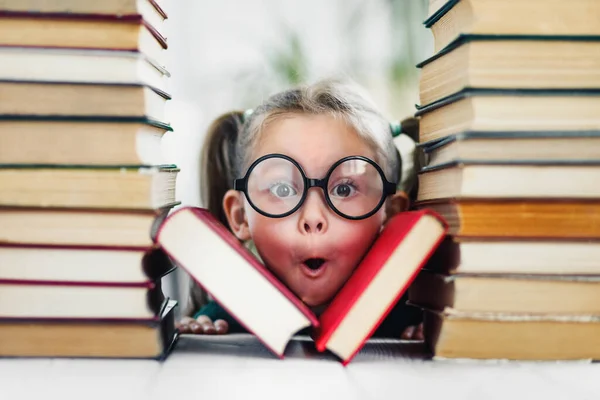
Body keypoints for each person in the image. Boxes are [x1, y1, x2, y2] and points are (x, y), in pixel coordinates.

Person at [178, 79, 423, 340]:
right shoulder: (221, 322)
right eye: (282, 190)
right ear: (240, 216)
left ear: (391, 213)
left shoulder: (421, 317)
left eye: (344, 189)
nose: (313, 218)